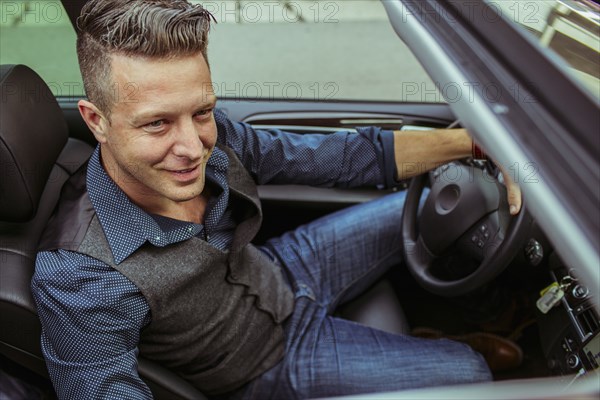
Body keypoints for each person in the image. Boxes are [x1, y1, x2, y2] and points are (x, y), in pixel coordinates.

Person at [31, 0, 523, 399]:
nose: (193, 147)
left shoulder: (214, 138)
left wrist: (479, 143)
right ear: (96, 120)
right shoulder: (80, 277)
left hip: (281, 269)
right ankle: (438, 348)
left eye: (201, 111)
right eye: (156, 123)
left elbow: (343, 156)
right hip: (263, 360)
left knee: (425, 204)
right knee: (471, 373)